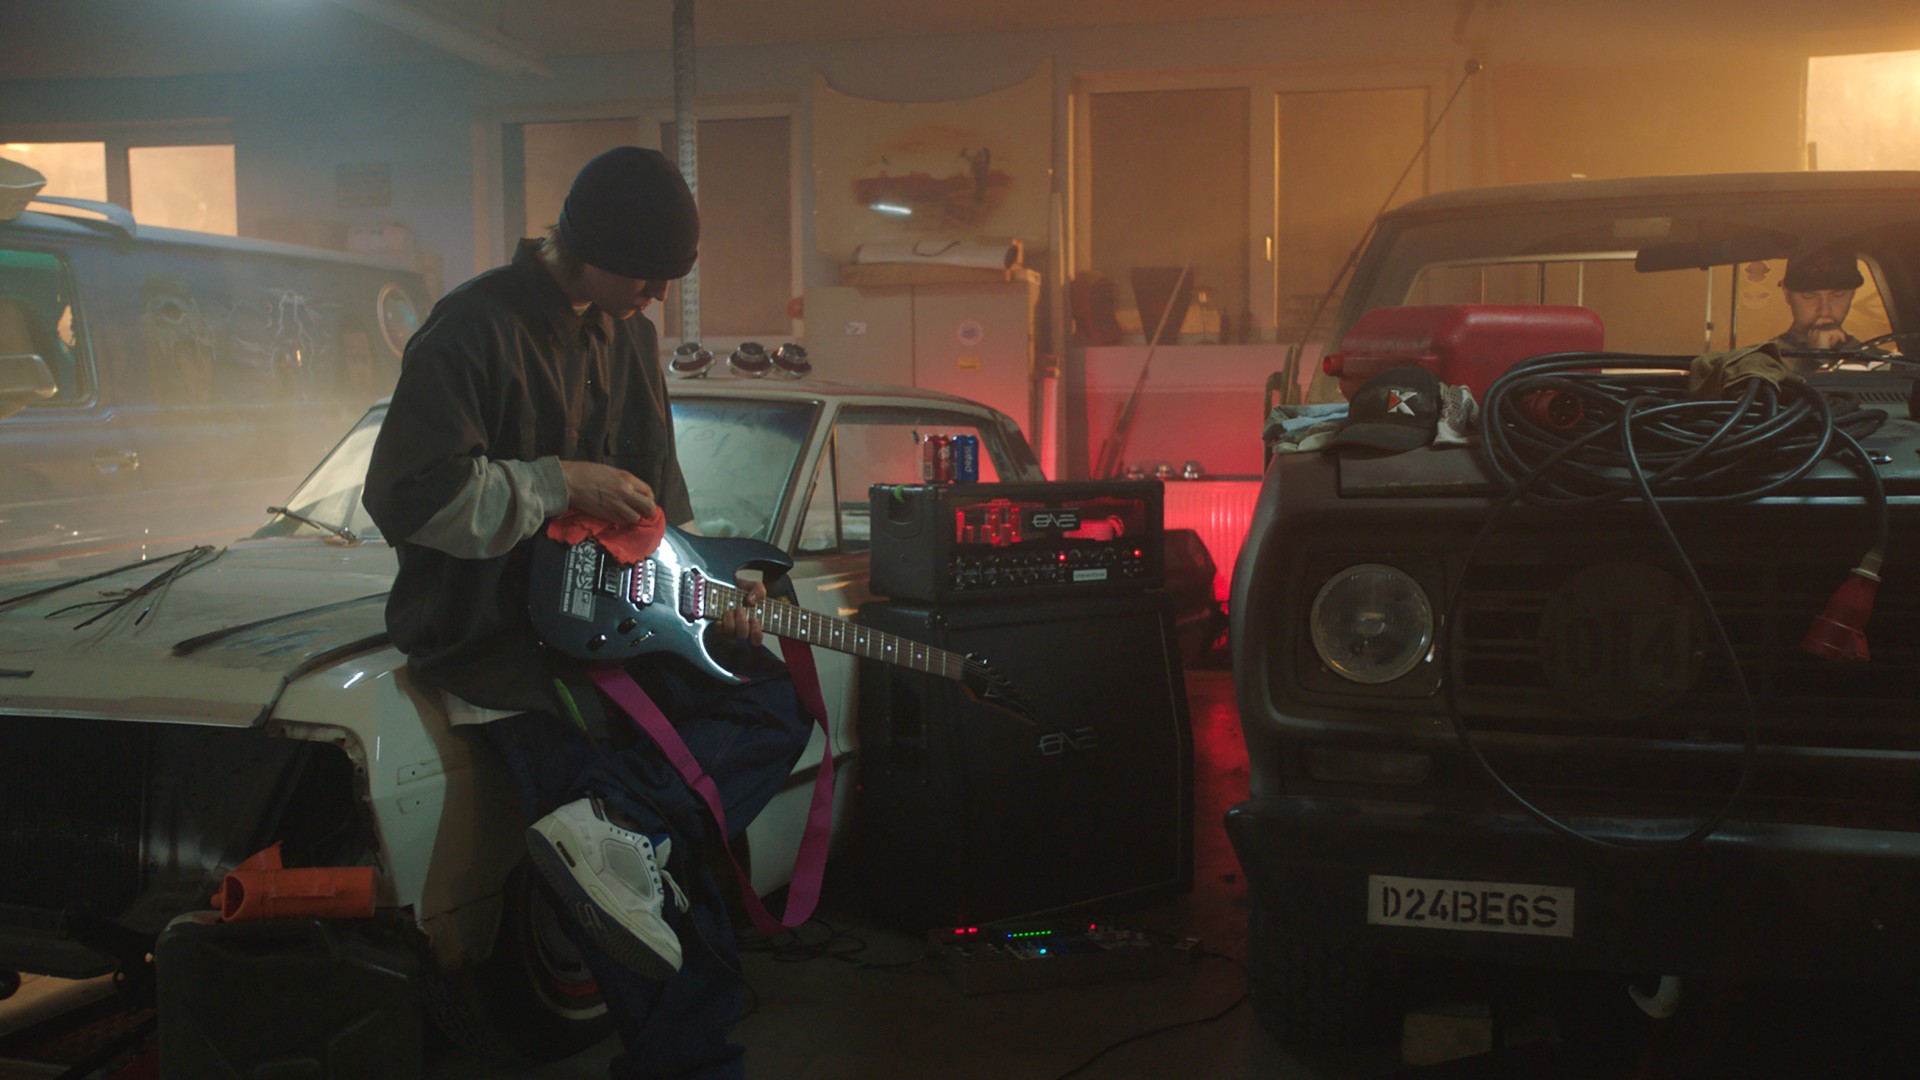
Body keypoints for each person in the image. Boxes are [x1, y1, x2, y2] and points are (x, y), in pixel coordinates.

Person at [362, 146, 812, 1079]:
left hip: (629, 631)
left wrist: (710, 591)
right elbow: (408, 498)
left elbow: (660, 502)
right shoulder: (472, 330)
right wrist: (555, 482)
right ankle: (683, 1044)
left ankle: (622, 829)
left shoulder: (630, 337)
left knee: (772, 704)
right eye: (644, 272)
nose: (654, 294)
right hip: (509, 658)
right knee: (642, 913)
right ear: (584, 244)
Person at [1774, 246, 1864, 366]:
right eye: (1809, 295)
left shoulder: (1879, 363)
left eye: (1838, 294)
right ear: (1787, 294)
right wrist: (1818, 358)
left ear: (1853, 293)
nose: (1824, 310)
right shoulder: (1759, 364)